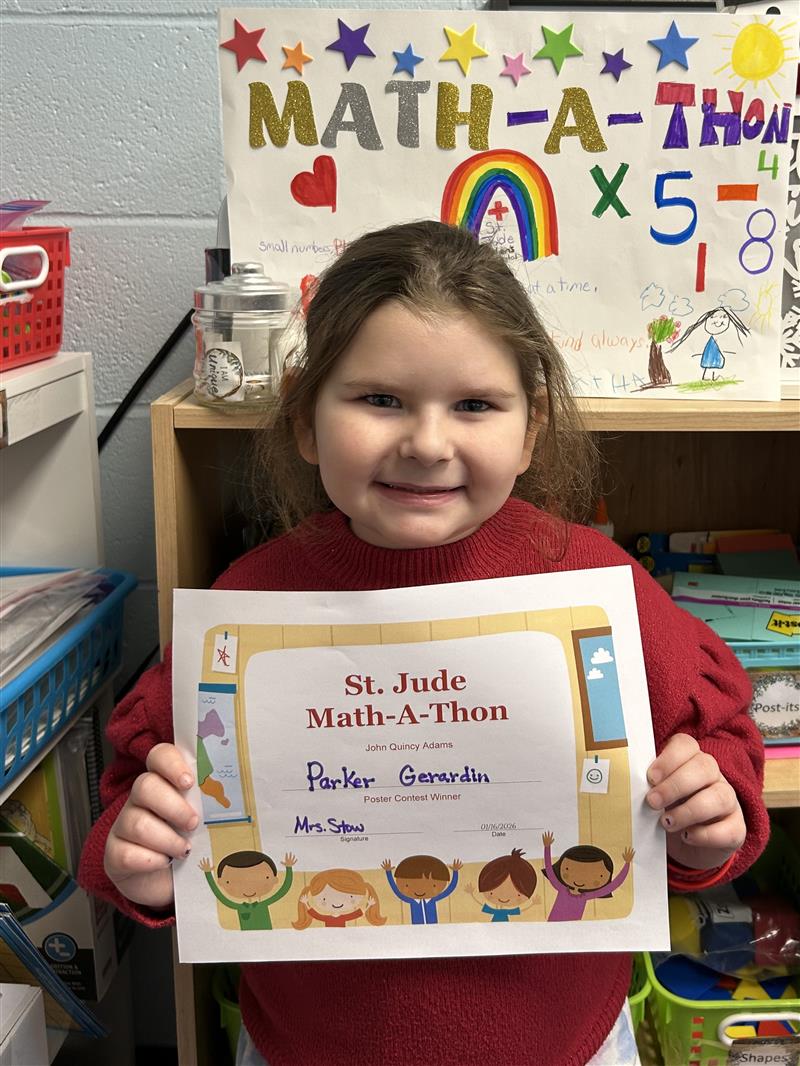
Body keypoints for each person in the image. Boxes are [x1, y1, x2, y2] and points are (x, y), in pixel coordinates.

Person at [78, 221, 768, 1066]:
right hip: (306, 1048)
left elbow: (720, 738)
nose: (428, 444)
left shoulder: (594, 585)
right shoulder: (248, 608)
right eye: (380, 400)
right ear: (304, 419)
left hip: (566, 1045)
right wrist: (142, 862)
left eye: (475, 405)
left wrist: (708, 821)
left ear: (531, 430)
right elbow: (140, 793)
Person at [541, 833, 633, 922]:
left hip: (574, 929)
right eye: (568, 869)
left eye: (598, 876)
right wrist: (547, 848)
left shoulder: (586, 895)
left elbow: (613, 886)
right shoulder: (561, 888)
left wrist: (627, 865)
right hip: (552, 926)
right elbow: (550, 871)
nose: (579, 878)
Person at [199, 851, 295, 931]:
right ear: (221, 882)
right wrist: (208, 874)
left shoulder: (262, 904)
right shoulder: (239, 907)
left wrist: (289, 868)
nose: (249, 887)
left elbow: (283, 890)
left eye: (265, 877)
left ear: (274, 879)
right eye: (232, 881)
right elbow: (219, 895)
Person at [293, 868, 386, 929]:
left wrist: (369, 905)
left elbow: (357, 914)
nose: (336, 902)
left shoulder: (343, 917)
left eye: (351, 896)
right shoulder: (327, 918)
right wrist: (306, 903)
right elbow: (315, 915)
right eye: (324, 899)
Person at [382, 854, 462, 924]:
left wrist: (455, 872)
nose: (420, 890)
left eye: (433, 885)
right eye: (407, 885)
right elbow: (396, 891)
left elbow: (449, 889)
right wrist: (388, 873)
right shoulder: (411, 900)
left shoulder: (432, 899)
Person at [465, 847, 538, 921]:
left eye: (518, 895)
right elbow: (481, 905)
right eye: (491, 893)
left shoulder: (505, 911)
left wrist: (533, 904)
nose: (504, 897)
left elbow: (520, 911)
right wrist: (472, 894)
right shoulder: (495, 910)